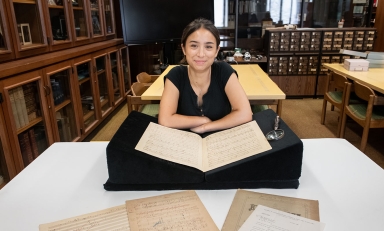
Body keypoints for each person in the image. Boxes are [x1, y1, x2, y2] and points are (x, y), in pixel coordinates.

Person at [158, 18, 252, 134]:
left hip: (220, 139)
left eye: (208, 47)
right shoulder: (176, 75)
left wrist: (206, 127)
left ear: (216, 50)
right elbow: (165, 119)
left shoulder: (223, 71)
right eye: (194, 46)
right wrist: (202, 120)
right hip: (183, 143)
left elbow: (245, 113)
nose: (201, 54)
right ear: (184, 49)